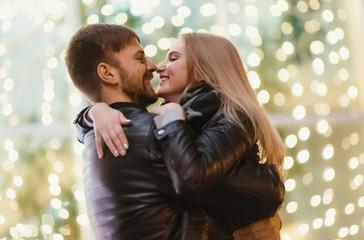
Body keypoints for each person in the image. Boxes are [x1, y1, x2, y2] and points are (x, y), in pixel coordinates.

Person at [74, 26, 285, 239]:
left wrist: (92, 113)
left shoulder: (230, 114)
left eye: (173, 59)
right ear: (107, 73)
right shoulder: (161, 126)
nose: (157, 67)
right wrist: (93, 112)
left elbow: (204, 181)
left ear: (204, 70)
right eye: (140, 58)